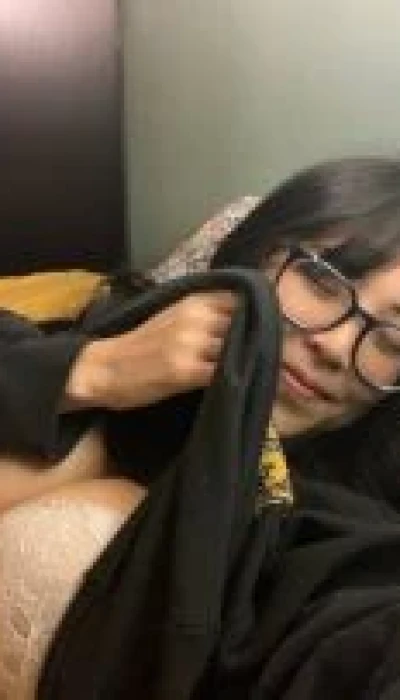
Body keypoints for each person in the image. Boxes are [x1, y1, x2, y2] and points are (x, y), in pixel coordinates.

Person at [2, 155, 400, 697]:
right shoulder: (109, 334)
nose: (334, 345)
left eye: (391, 341)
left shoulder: (341, 521)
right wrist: (94, 371)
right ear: (256, 254)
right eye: (319, 280)